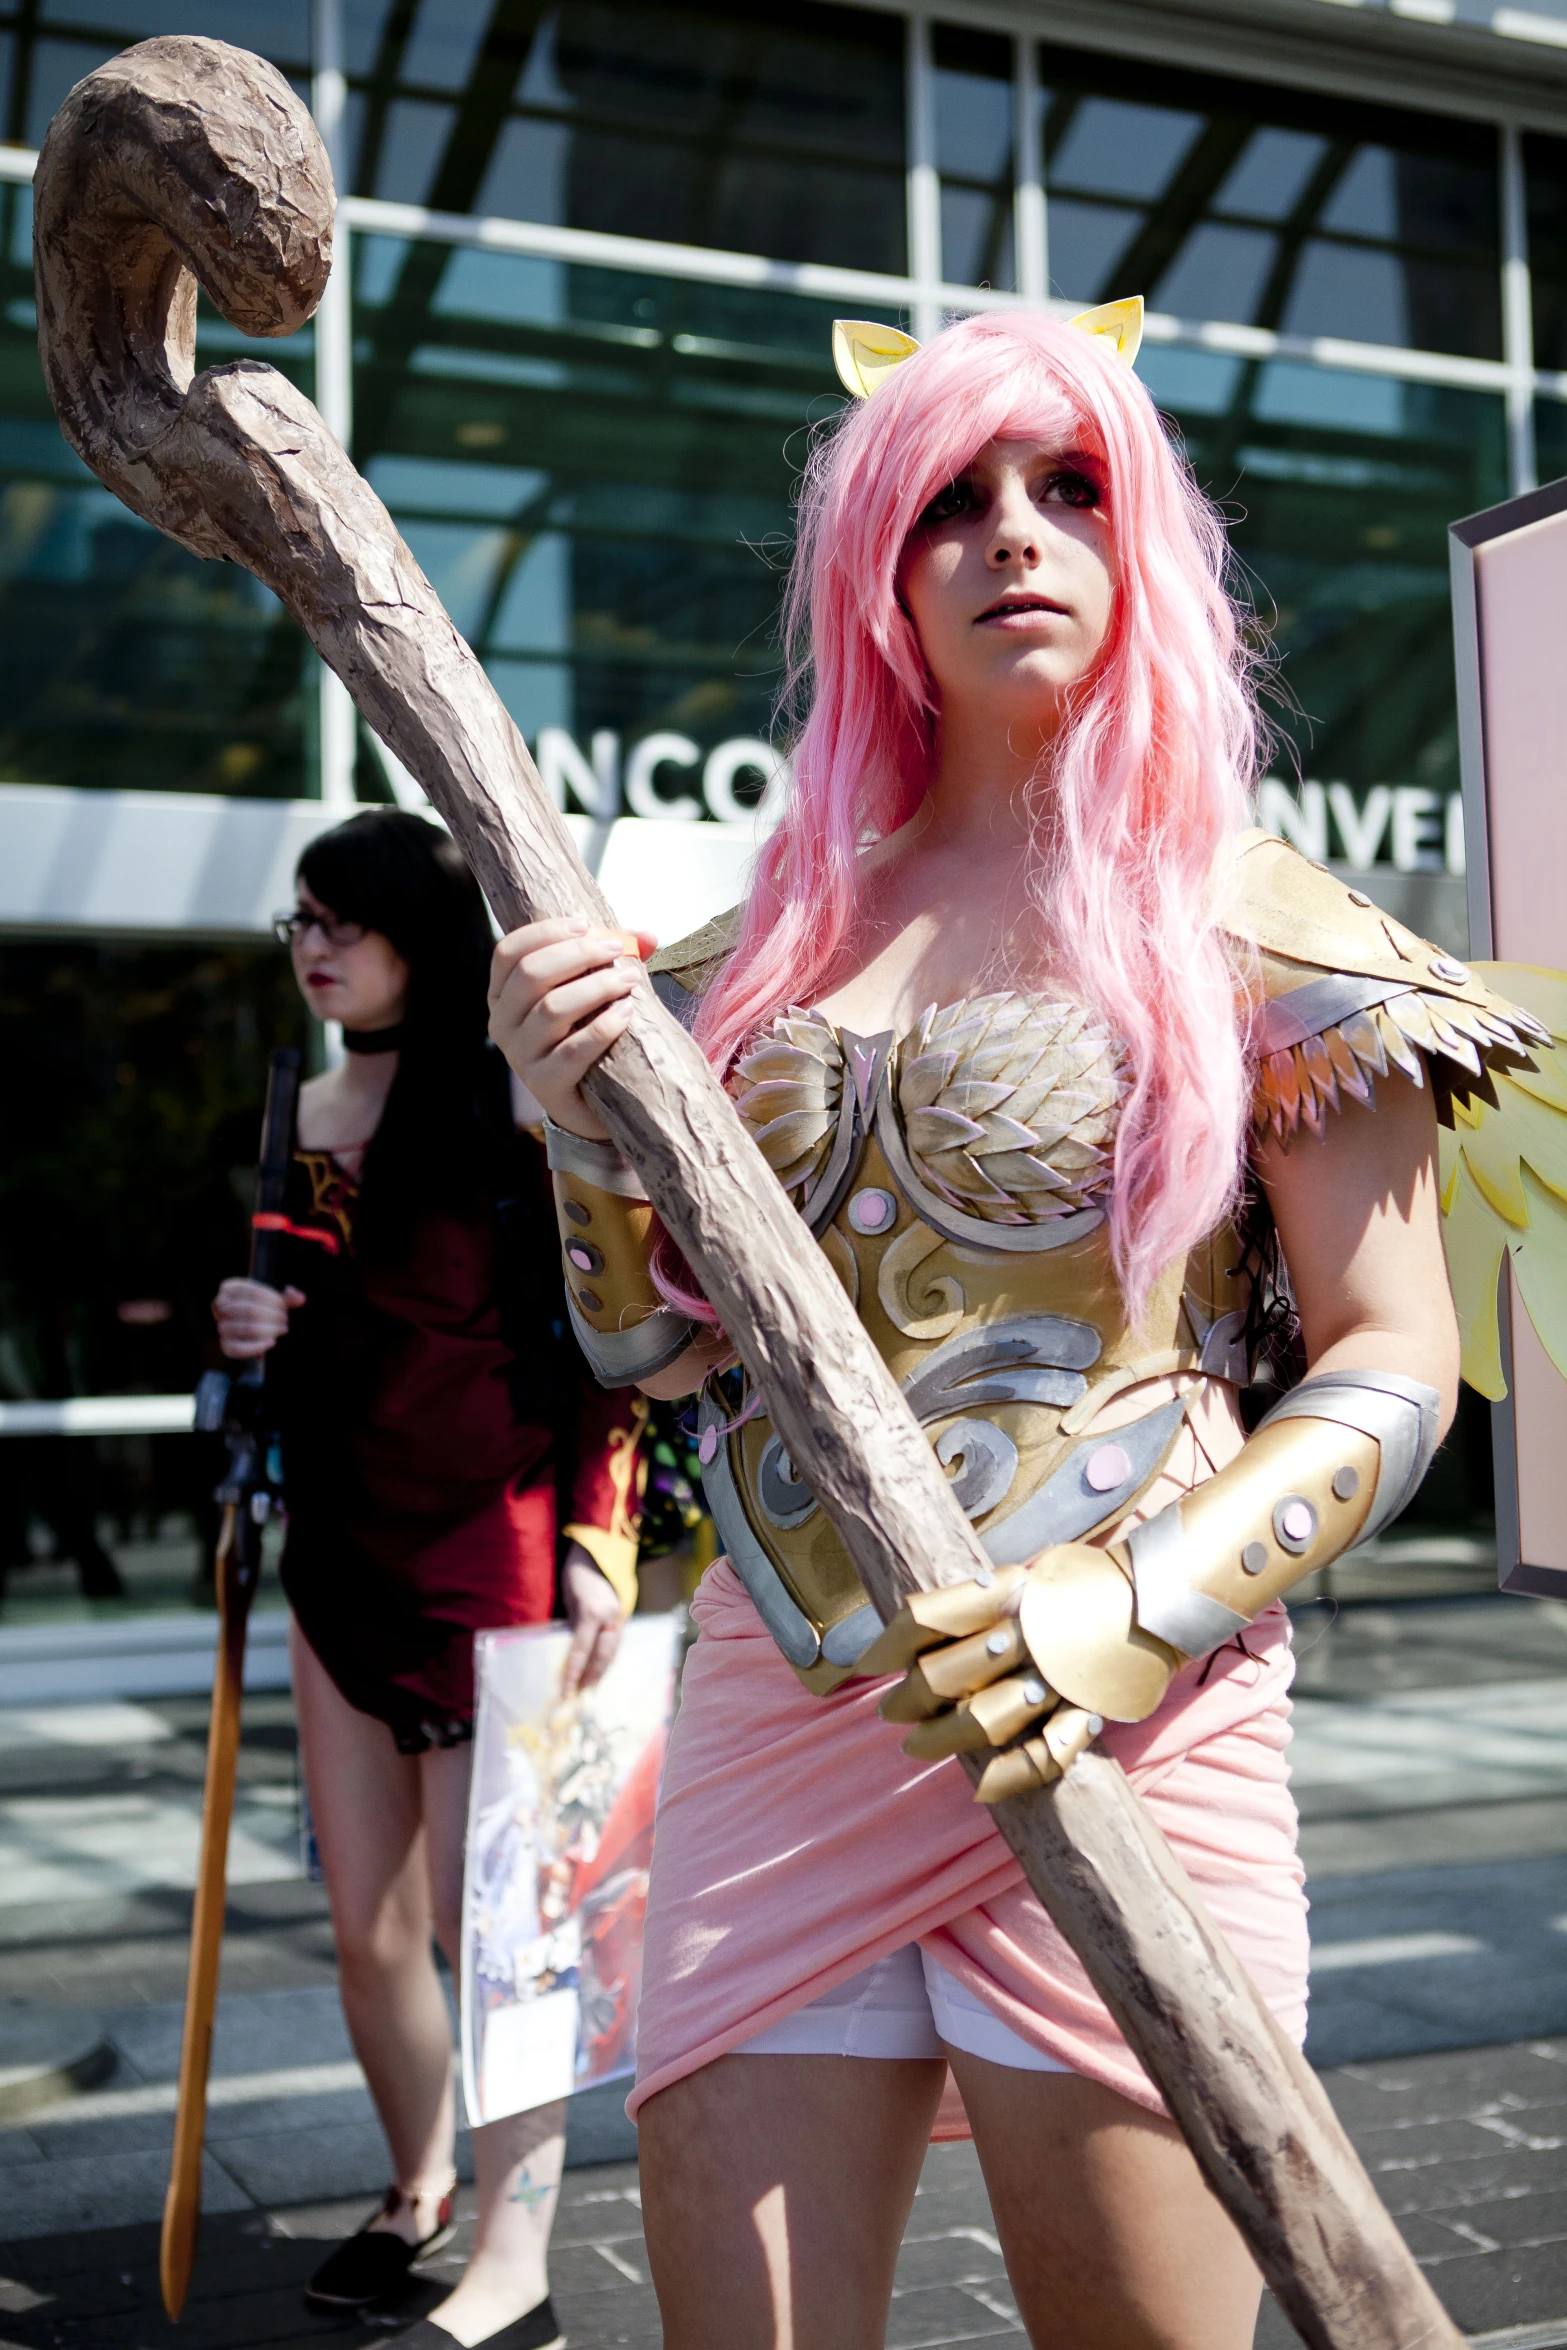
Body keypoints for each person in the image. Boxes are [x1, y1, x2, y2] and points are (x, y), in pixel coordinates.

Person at [484, 304, 1551, 2350]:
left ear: (1145, 537)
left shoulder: (1262, 917)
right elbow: (652, 1355)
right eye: (949, 501)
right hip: (788, 1713)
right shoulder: (757, 938)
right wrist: (566, 1122)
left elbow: (1397, 1353)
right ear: (876, 569)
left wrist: (1125, 1608)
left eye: (1070, 487)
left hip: (1124, 1716)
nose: (1012, 534)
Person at [213, 808, 645, 2350]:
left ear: (418, 931)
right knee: (368, 1924)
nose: (313, 945)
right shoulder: (293, 1115)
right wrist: (248, 1329)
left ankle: (517, 2248)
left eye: (345, 919)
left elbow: (610, 1346)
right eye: (300, 922)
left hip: (496, 1550)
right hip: (337, 1552)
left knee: (498, 1929)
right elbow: (304, 1340)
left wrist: (602, 1541)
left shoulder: (518, 1104)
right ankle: (419, 2190)